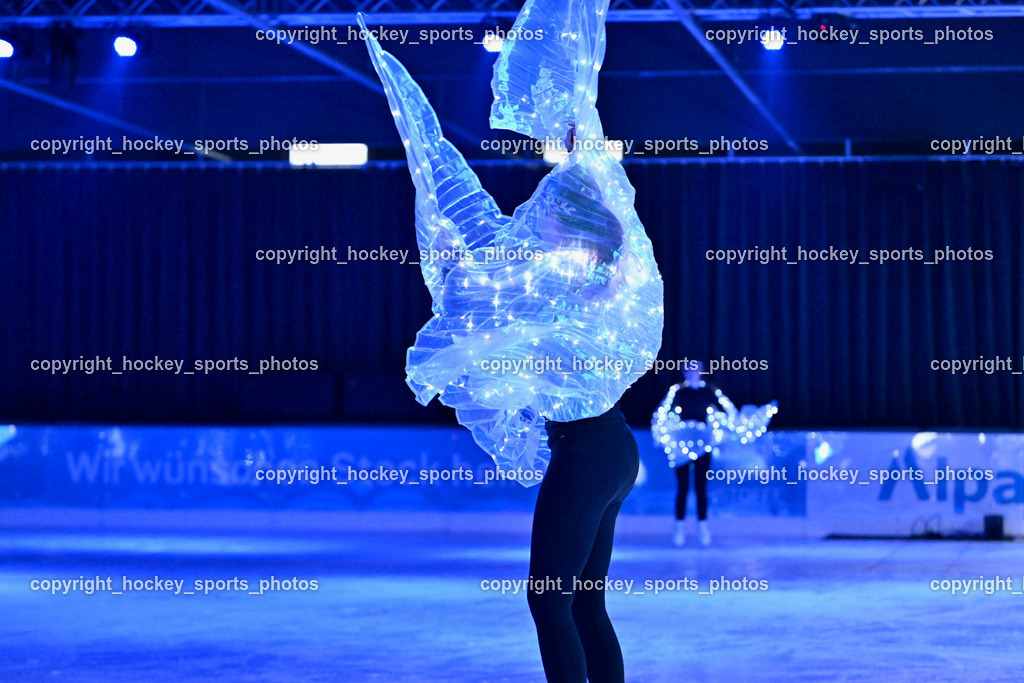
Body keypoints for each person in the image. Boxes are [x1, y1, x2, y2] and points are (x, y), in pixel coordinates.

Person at [358, 0, 664, 679]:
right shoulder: (577, 286)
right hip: (608, 446)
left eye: (547, 215)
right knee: (583, 602)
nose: (535, 218)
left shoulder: (574, 291)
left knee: (548, 597)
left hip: (588, 449)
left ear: (570, 226)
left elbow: (506, 298)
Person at [653, 361, 734, 547]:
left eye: (695, 370)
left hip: (703, 444)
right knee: (682, 487)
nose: (691, 373)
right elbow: (662, 413)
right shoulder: (678, 391)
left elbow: (728, 410)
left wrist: (721, 430)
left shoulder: (709, 390)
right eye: (688, 370)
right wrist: (662, 434)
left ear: (700, 372)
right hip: (681, 444)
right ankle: (679, 526)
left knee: (701, 487)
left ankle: (702, 526)